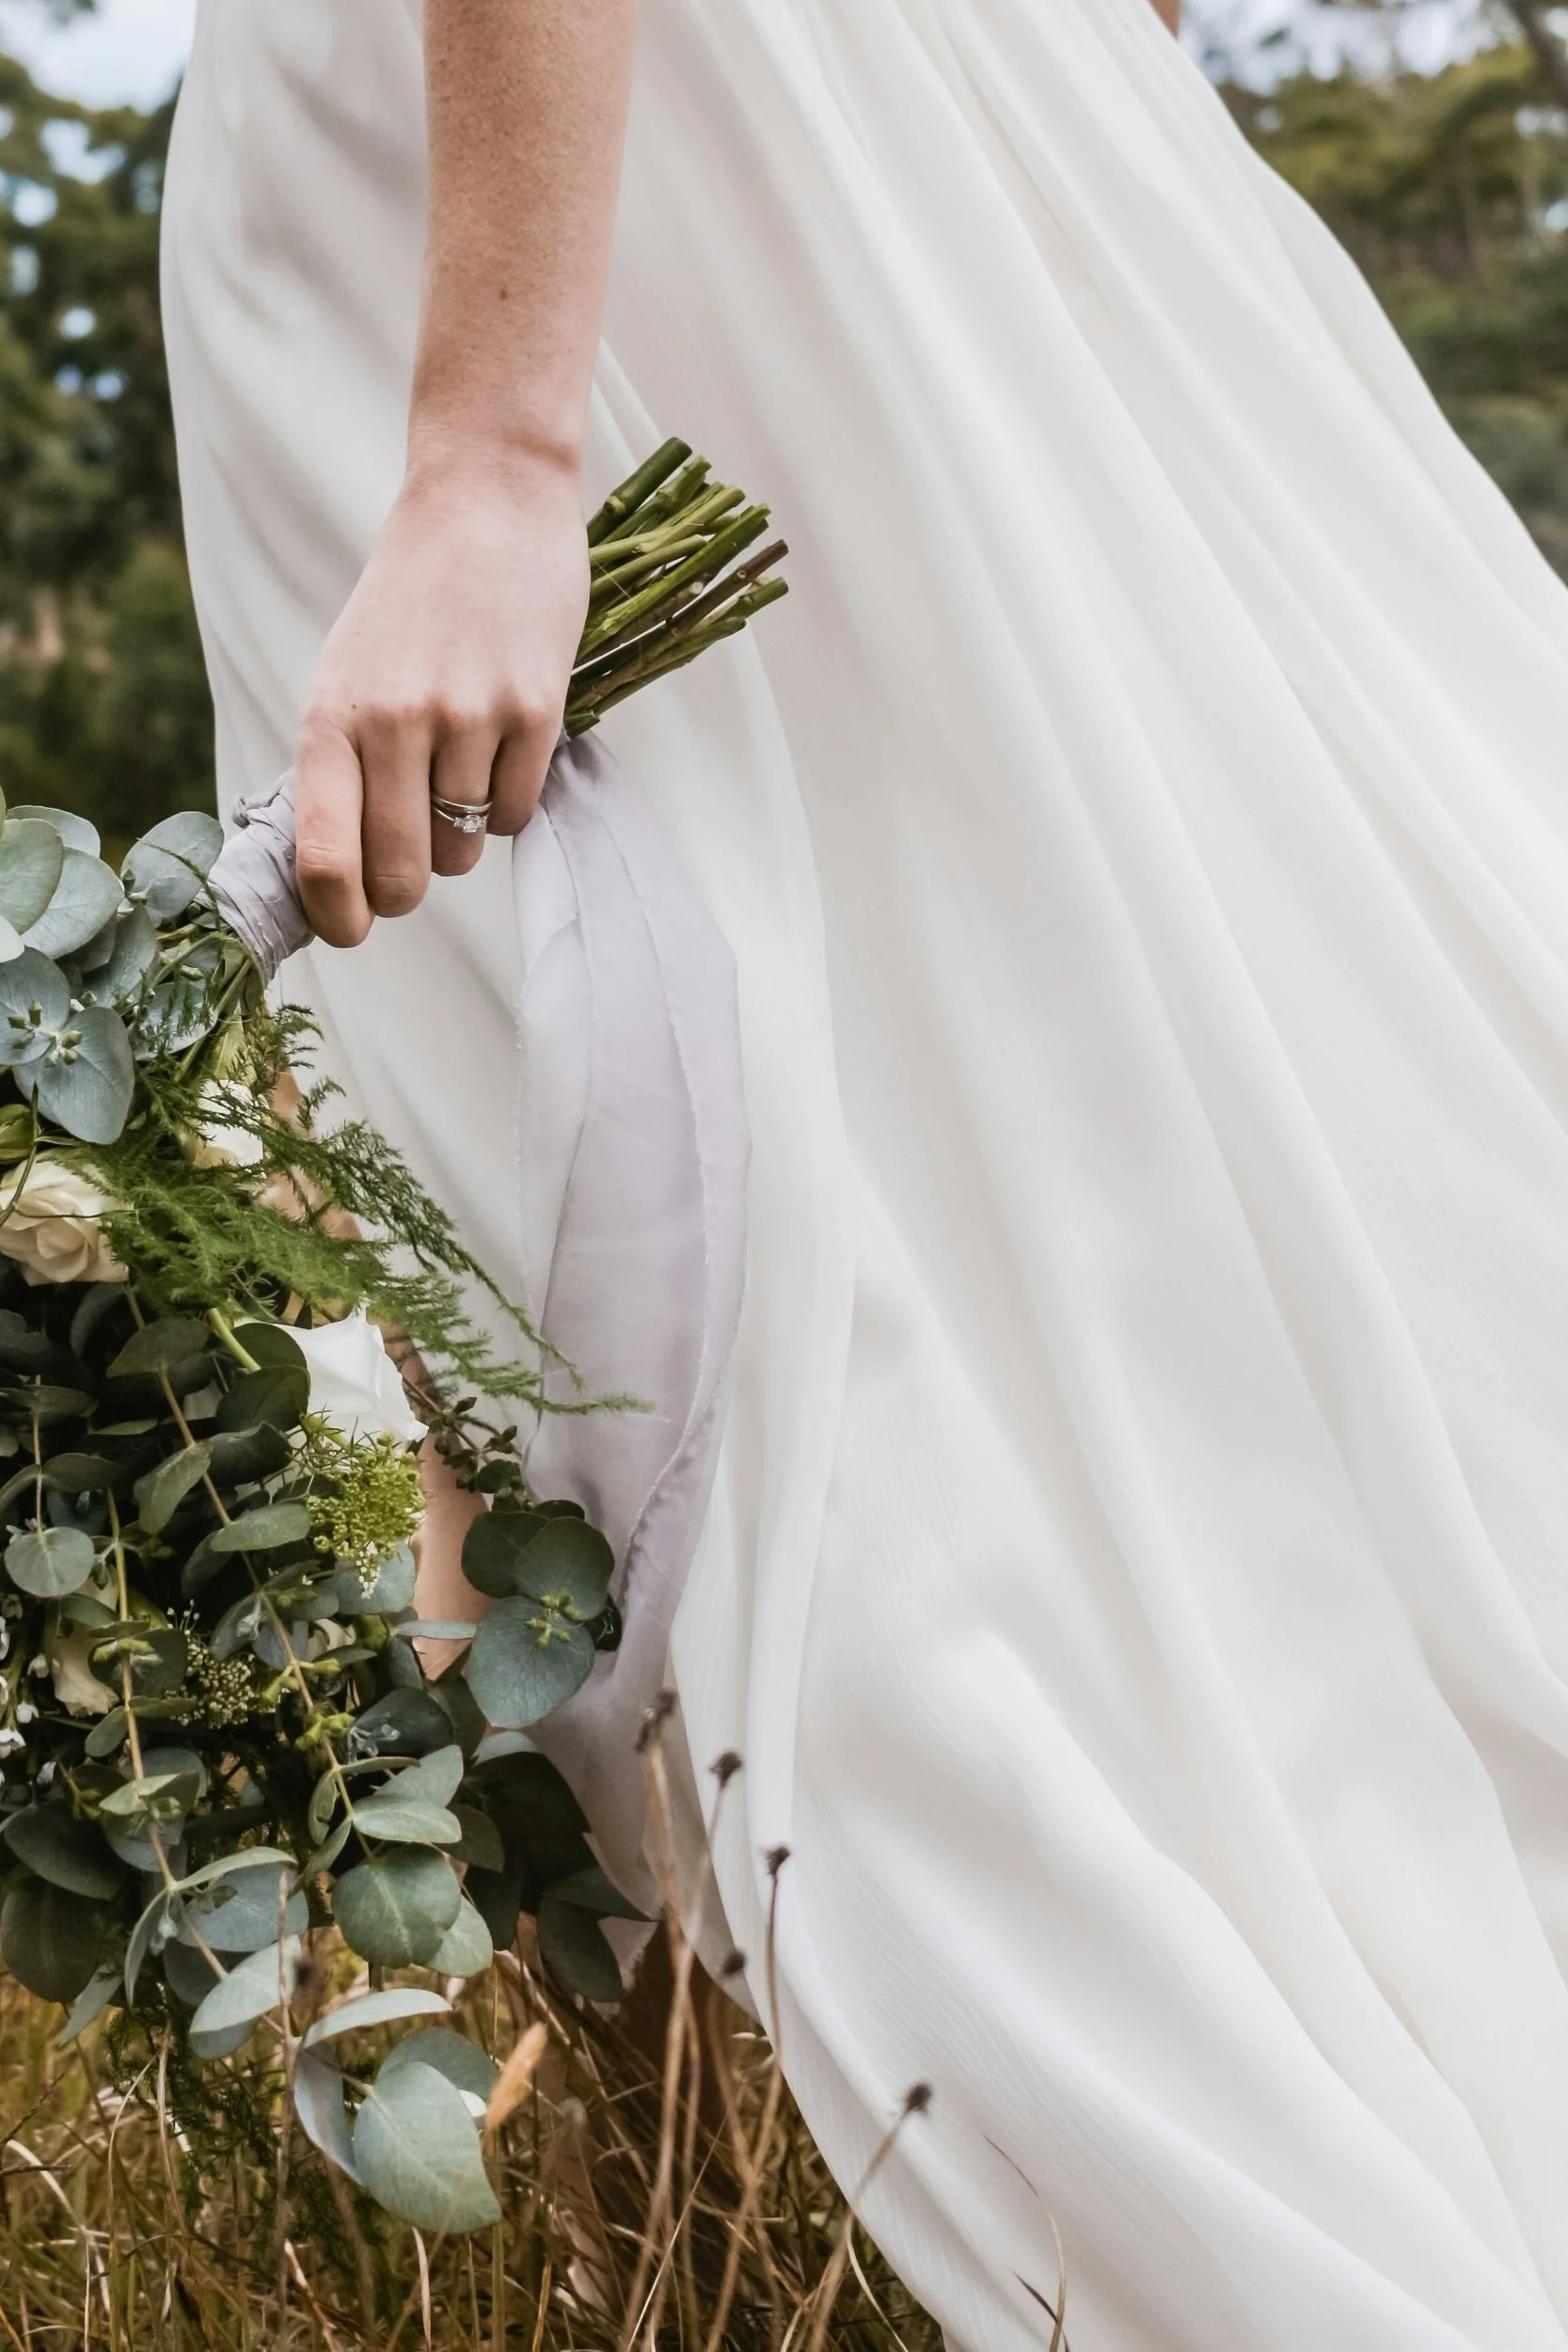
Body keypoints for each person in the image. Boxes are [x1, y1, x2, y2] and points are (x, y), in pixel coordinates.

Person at [160, 3, 1568, 2344]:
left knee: (663, 1241)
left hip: (543, 187)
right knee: (1127, 1098)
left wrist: (497, 447)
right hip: (908, 120)